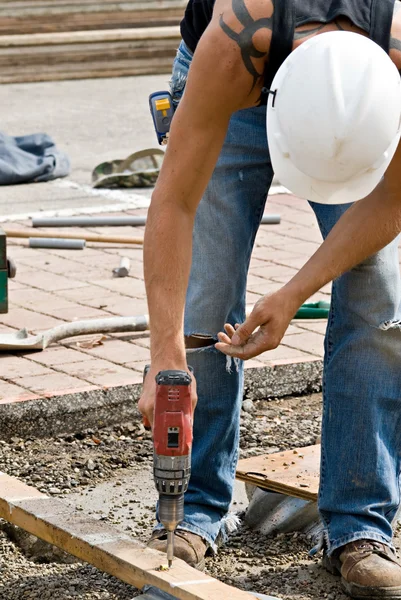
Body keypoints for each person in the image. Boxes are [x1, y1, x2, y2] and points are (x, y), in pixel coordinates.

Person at [139, 0, 401, 597]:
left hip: (356, 108)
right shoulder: (236, 37)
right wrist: (163, 355)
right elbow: (175, 204)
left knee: (378, 294)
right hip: (231, 93)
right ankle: (192, 514)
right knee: (202, 301)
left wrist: (292, 292)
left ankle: (359, 527)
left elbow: (389, 201)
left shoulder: (397, 55)